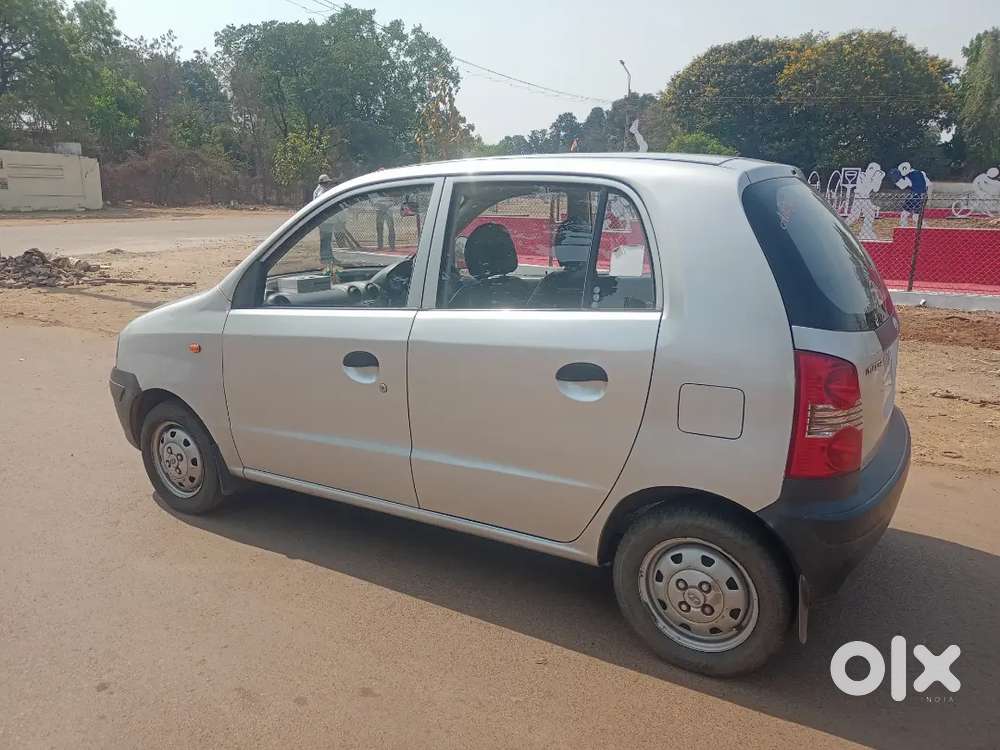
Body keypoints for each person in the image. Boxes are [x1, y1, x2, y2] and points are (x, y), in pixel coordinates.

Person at [846, 162, 885, 240]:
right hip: (859, 197)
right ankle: (844, 226)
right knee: (855, 216)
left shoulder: (873, 178)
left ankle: (865, 231)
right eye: (875, 171)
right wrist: (873, 179)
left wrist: (878, 179)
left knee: (870, 214)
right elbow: (862, 190)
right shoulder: (862, 175)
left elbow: (875, 189)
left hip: (865, 198)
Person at [892, 162, 931, 228]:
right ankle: (924, 228)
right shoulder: (921, 172)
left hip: (915, 195)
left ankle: (924, 228)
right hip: (920, 195)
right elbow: (928, 184)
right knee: (912, 215)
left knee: (909, 214)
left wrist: (896, 180)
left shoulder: (908, 176)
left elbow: (902, 186)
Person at [313, 174, 335, 270]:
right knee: (326, 239)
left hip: (323, 219)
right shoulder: (322, 191)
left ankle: (327, 257)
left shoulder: (318, 190)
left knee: (326, 239)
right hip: (325, 219)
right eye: (327, 182)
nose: (328, 184)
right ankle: (326, 258)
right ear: (323, 182)